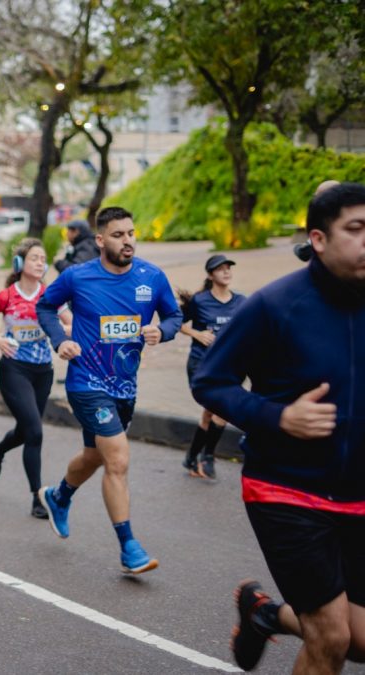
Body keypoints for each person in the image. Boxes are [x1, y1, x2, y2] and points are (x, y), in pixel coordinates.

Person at [193, 182, 365, 673]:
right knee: (330, 636)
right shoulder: (274, 305)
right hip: (288, 488)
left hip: (359, 492)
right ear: (318, 239)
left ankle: (264, 613)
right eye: (355, 230)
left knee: (358, 641)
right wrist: (280, 416)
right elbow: (211, 381)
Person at [34, 206, 182, 574]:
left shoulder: (152, 276)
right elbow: (45, 306)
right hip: (86, 381)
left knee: (94, 455)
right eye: (118, 235)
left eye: (131, 233)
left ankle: (58, 496)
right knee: (117, 458)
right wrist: (59, 342)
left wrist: (161, 331)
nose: (127, 240)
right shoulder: (77, 277)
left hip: (125, 386)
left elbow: (175, 316)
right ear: (100, 240)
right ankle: (129, 547)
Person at [0, 238, 72, 519]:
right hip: (14, 369)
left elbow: (69, 321)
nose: (41, 263)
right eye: (35, 258)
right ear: (19, 264)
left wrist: (67, 328)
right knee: (35, 432)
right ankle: (38, 498)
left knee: (27, 430)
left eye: (43, 259)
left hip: (43, 371)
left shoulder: (50, 296)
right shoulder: (6, 296)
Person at [177, 254, 246, 479]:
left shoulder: (241, 302)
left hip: (229, 367)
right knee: (219, 410)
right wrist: (197, 333)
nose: (226, 272)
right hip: (202, 366)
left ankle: (191, 458)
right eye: (220, 268)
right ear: (210, 275)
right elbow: (177, 322)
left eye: (229, 268)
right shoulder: (200, 301)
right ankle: (208, 456)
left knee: (210, 414)